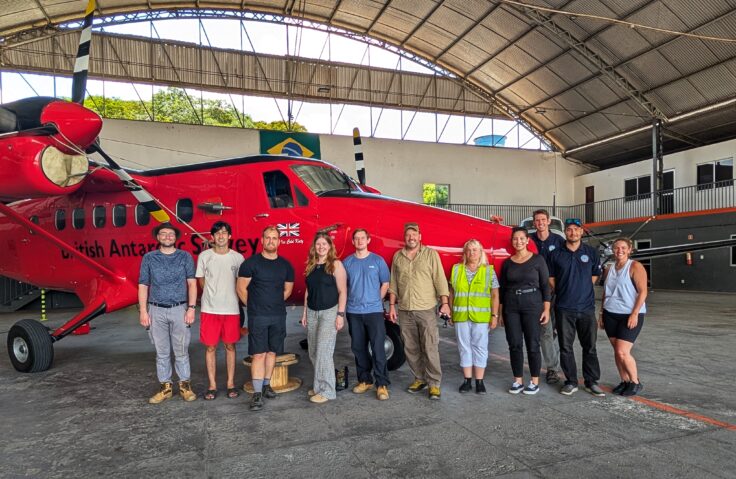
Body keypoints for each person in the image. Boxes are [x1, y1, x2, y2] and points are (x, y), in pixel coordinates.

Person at [389, 222, 450, 400]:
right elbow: (393, 283)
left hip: (426, 309)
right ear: (404, 238)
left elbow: (440, 280)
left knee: (430, 347)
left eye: (414, 235)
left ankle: (434, 384)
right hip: (405, 310)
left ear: (420, 237)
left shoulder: (431, 255)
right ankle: (419, 378)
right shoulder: (398, 257)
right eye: (408, 235)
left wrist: (445, 303)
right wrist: (392, 306)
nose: (411, 238)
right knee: (411, 347)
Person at [138, 222, 197, 404]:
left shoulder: (185, 257)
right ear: (158, 237)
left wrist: (191, 308)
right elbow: (143, 285)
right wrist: (143, 311)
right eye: (163, 234)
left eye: (170, 234)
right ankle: (165, 388)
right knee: (162, 352)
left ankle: (185, 386)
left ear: (176, 237)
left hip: (179, 309)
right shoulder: (149, 258)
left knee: (181, 351)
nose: (167, 237)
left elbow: (192, 283)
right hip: (156, 310)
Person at [237, 226, 295, 411]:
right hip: (258, 317)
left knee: (272, 352)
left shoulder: (286, 265)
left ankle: (266, 385)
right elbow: (241, 289)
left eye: (274, 238)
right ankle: (256, 394)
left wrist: (273, 303)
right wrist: (255, 307)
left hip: (278, 315)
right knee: (259, 354)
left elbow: (287, 290)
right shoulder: (250, 263)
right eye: (268, 238)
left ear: (279, 241)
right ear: (262, 240)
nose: (271, 241)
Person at [549, 218, 603, 397]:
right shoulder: (556, 253)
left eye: (576, 229)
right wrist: (567, 289)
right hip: (564, 308)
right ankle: (571, 381)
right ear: (566, 232)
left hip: (586, 308)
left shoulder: (591, 252)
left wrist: (582, 288)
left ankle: (591, 381)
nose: (573, 233)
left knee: (590, 347)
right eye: (570, 229)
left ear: (582, 232)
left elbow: (595, 275)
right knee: (566, 347)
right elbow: (551, 279)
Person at [196, 221, 245, 401]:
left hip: (231, 310)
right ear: (212, 237)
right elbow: (201, 281)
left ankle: (231, 383)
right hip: (210, 310)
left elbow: (241, 283)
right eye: (217, 233)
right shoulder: (204, 256)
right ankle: (212, 385)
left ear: (230, 236)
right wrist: (211, 296)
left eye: (224, 233)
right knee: (210, 347)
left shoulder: (238, 258)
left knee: (230, 346)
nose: (221, 236)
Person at [499, 227, 551, 395]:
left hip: (532, 304)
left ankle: (534, 381)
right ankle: (518, 380)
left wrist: (547, 309)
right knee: (514, 344)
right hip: (511, 305)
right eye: (515, 239)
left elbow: (545, 286)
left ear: (527, 240)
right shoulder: (507, 263)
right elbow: (502, 289)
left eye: (522, 238)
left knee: (533, 344)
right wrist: (500, 312)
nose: (518, 241)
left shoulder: (538, 260)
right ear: (512, 241)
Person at [343, 229, 392, 400]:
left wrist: (375, 301)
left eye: (362, 238)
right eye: (356, 238)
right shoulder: (347, 262)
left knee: (378, 348)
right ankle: (365, 380)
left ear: (368, 240)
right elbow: (343, 287)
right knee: (358, 348)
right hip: (354, 312)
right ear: (353, 242)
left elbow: (385, 283)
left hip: (374, 312)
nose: (359, 241)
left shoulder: (377, 261)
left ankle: (382, 384)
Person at [300, 233, 347, 404]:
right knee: (313, 351)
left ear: (329, 246)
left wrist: (340, 315)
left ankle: (327, 391)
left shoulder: (335, 265)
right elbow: (308, 291)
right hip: (313, 312)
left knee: (323, 352)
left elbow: (342, 291)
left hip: (329, 312)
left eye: (324, 244)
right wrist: (304, 312)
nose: (321, 247)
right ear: (314, 247)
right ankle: (319, 385)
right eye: (318, 244)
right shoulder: (311, 265)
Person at [448, 239, 499, 395]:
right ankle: (467, 380)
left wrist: (494, 315)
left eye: (475, 250)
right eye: (469, 250)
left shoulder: (489, 270)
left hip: (481, 316)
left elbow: (495, 294)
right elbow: (452, 293)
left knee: (480, 347)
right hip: (461, 315)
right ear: (465, 253)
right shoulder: (456, 269)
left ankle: (479, 381)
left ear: (481, 252)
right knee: (464, 347)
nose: (472, 253)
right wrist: (451, 311)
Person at [600, 237, 648, 397]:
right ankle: (624, 380)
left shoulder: (635, 266)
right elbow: (606, 293)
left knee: (622, 351)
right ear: (612, 250)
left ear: (629, 250)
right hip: (610, 313)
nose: (619, 251)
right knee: (616, 351)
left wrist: (634, 314)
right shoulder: (609, 269)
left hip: (629, 314)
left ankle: (635, 381)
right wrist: (601, 313)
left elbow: (643, 292)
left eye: (623, 248)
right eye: (616, 248)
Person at [530, 209, 565, 385]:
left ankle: (554, 364)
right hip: (537, 293)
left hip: (557, 292)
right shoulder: (528, 240)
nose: (540, 223)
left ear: (548, 221)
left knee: (556, 331)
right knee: (545, 331)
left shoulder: (559, 241)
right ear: (533, 223)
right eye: (537, 220)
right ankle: (552, 369)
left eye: (543, 220)